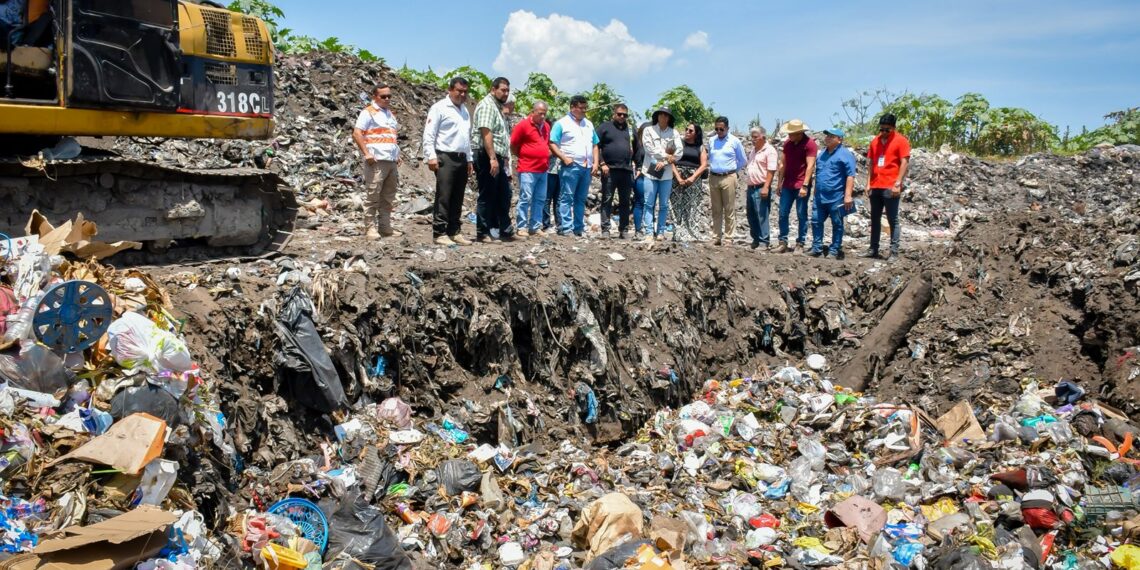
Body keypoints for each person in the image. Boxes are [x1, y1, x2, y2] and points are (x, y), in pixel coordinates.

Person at [422, 76, 474, 246]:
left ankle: (454, 230)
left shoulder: (464, 110)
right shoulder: (439, 108)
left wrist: (469, 159)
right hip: (445, 156)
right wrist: (431, 156)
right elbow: (429, 133)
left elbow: (466, 137)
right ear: (450, 90)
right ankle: (439, 232)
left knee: (458, 196)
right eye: (459, 91)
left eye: (465, 92)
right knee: (444, 195)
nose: (462, 94)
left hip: (461, 157)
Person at [351, 83, 401, 240]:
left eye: (389, 96)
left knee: (388, 196)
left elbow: (391, 136)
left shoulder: (390, 115)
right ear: (375, 96)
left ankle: (385, 227)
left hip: (391, 160)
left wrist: (397, 154)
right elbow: (357, 133)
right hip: (377, 160)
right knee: (373, 194)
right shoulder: (369, 112)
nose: (387, 99)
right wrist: (366, 153)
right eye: (383, 96)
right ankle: (370, 228)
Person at [549, 95, 599, 237]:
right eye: (581, 108)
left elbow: (595, 144)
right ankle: (566, 228)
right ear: (572, 107)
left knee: (581, 198)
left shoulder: (588, 124)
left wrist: (595, 163)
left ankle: (578, 228)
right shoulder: (562, 123)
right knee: (566, 197)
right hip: (571, 166)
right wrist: (564, 158)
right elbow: (552, 142)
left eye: (585, 108)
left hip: (586, 166)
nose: (584, 111)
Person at [863, 113, 911, 261]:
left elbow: (904, 162)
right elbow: (871, 163)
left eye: (887, 130)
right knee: (875, 218)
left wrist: (898, 183)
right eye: (881, 129)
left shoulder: (901, 141)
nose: (883, 133)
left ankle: (894, 252)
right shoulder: (875, 141)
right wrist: (868, 183)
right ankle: (873, 249)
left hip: (891, 186)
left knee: (892, 219)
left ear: (893, 128)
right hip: (876, 185)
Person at [472, 77, 514, 242]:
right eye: (503, 90)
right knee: (487, 194)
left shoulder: (497, 107)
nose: (505, 93)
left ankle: (502, 229)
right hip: (486, 154)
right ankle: (483, 232)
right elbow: (486, 132)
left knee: (503, 193)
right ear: (493, 89)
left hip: (497, 156)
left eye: (507, 91)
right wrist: (492, 158)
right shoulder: (488, 106)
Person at [808, 128, 856, 259]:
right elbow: (818, 174)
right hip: (820, 196)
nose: (827, 138)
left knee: (837, 223)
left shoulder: (845, 154)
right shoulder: (822, 154)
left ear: (839, 139)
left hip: (836, 197)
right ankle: (817, 247)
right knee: (816, 221)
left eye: (831, 136)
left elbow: (850, 176)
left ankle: (834, 249)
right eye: (827, 136)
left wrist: (847, 196)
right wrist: (815, 191)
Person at [640, 106, 683, 241]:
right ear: (657, 116)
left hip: (666, 173)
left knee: (664, 204)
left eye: (666, 115)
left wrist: (665, 162)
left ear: (669, 118)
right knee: (649, 203)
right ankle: (648, 232)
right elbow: (649, 149)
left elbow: (679, 152)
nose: (663, 117)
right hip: (650, 171)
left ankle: (661, 232)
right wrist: (667, 156)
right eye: (661, 114)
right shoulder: (648, 130)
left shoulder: (674, 133)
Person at [775, 119, 817, 253]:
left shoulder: (810, 144)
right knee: (782, 213)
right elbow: (783, 164)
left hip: (800, 184)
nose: (789, 136)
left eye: (791, 133)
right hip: (788, 183)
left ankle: (800, 242)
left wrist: (805, 185)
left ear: (799, 133)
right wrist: (779, 183)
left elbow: (810, 166)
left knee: (801, 213)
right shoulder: (788, 144)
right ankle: (783, 241)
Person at [595, 103, 636, 239]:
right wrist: (602, 163)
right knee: (607, 199)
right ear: (614, 114)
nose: (622, 117)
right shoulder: (604, 127)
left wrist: (639, 166)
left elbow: (638, 148)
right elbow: (595, 145)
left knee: (625, 201)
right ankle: (605, 230)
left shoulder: (630, 130)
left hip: (626, 170)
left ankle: (624, 230)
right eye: (619, 114)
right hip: (609, 170)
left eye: (625, 115)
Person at [510, 101, 550, 237]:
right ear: (533, 112)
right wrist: (524, 156)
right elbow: (514, 145)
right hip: (527, 168)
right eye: (540, 114)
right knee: (525, 198)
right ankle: (521, 226)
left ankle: (535, 226)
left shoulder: (546, 127)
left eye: (545, 114)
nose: (543, 117)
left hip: (543, 169)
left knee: (540, 199)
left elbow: (545, 144)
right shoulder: (523, 125)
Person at [706, 117, 748, 245]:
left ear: (727, 128)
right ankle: (716, 237)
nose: (719, 131)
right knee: (716, 208)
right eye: (716, 129)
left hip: (728, 177)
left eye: (721, 129)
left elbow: (743, 160)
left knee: (729, 208)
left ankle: (729, 237)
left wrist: (732, 170)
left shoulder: (734, 141)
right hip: (714, 176)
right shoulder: (712, 141)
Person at [670, 123, 707, 242]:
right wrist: (678, 177)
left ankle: (691, 232)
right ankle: (678, 232)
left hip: (693, 179)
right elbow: (671, 161)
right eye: (686, 129)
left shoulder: (700, 147)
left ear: (696, 134)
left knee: (692, 205)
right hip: (677, 178)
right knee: (676, 205)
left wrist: (693, 177)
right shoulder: (679, 145)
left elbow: (704, 165)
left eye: (690, 131)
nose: (687, 132)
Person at [744, 126, 778, 250]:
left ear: (763, 137)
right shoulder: (753, 151)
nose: (753, 140)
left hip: (761, 186)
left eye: (755, 137)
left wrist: (766, 187)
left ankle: (764, 241)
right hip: (751, 187)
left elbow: (771, 170)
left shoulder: (769, 151)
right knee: (751, 214)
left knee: (762, 214)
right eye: (751, 137)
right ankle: (756, 239)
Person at [630, 120, 652, 238]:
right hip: (641, 176)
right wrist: (637, 168)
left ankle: (649, 229)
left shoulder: (655, 144)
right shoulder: (638, 144)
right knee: (639, 202)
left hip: (652, 176)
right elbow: (634, 158)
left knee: (650, 203)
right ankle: (638, 230)